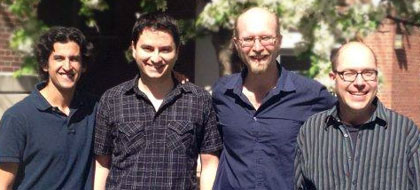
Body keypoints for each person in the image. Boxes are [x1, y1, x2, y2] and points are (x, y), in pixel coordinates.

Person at [93, 12, 222, 190]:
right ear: (134, 49)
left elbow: (209, 165)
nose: (155, 58)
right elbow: (102, 165)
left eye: (165, 49)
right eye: (147, 48)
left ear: (177, 51)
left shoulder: (199, 101)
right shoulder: (112, 100)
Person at [212, 7, 336, 190]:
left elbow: (351, 122)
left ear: (279, 41)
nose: (257, 47)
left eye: (266, 38)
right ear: (237, 44)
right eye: (248, 39)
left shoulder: (311, 94)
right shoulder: (222, 93)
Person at [294, 41, 420, 189]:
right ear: (333, 78)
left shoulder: (404, 132)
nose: (359, 82)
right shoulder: (311, 131)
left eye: (368, 73)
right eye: (349, 73)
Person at [0, 27, 96, 190]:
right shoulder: (18, 117)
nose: (67, 66)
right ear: (45, 65)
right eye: (59, 58)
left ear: (83, 65)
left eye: (74, 59)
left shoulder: (94, 111)